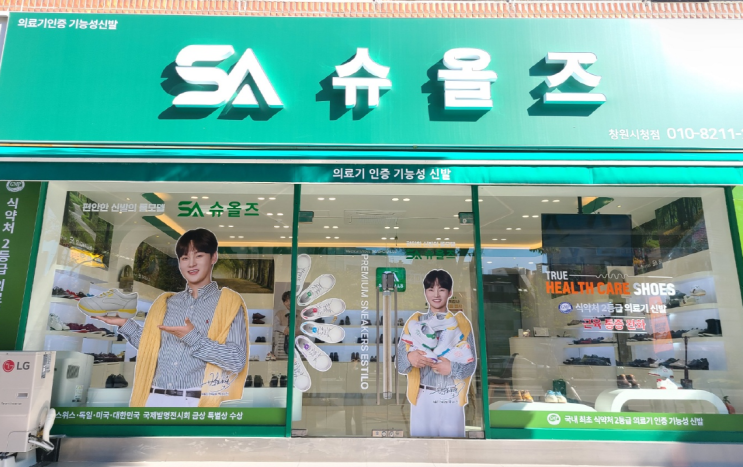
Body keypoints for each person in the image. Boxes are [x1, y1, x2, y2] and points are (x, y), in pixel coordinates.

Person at [94, 228, 249, 408]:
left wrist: (192, 337)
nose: (191, 263)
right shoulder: (166, 302)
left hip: (196, 402)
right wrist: (124, 323)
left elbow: (236, 361)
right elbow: (151, 345)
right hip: (153, 398)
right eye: (185, 258)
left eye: (199, 256)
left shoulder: (229, 304)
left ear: (213, 257)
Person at [396, 269, 476, 438]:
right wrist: (409, 358)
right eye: (431, 289)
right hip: (422, 396)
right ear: (425, 292)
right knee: (421, 448)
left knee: (453, 448)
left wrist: (452, 368)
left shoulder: (461, 323)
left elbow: (471, 365)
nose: (436, 294)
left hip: (451, 395)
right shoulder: (415, 322)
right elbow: (400, 365)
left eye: (442, 289)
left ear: (450, 292)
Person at [271, 291, 293, 359]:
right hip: (280, 349)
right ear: (283, 303)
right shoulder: (279, 313)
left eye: (291, 300)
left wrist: (297, 330)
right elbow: (275, 326)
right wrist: (284, 328)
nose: (289, 303)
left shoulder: (300, 313)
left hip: (297, 348)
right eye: (286, 301)